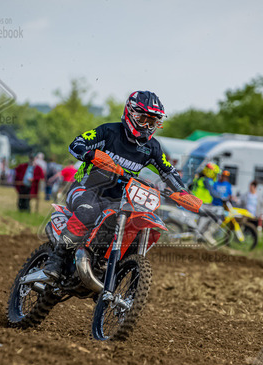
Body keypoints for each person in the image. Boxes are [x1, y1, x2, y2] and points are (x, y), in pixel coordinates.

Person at [43, 90, 188, 278]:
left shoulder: (152, 148)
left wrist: (183, 193)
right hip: (85, 189)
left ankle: (111, 270)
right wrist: (91, 154)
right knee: (88, 211)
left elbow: (168, 171)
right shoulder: (109, 132)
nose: (146, 126)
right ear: (130, 113)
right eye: (143, 119)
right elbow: (77, 143)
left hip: (118, 199)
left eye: (152, 122)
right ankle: (57, 258)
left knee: (135, 224)